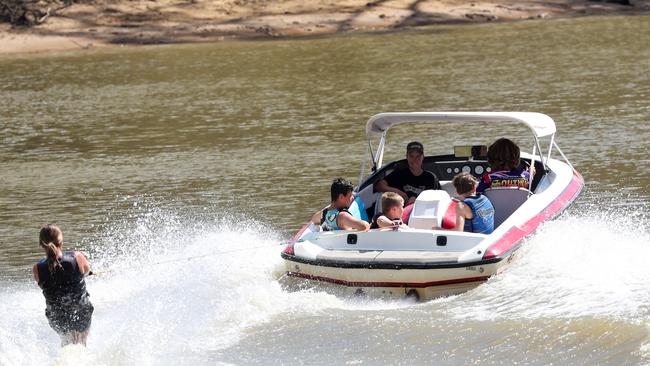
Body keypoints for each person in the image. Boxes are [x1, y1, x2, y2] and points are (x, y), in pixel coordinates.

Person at [33, 224, 94, 347]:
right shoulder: (76, 257)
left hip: (57, 316)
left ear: (41, 245)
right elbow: (87, 271)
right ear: (61, 242)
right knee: (81, 344)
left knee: (67, 344)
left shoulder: (37, 269)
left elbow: (44, 286)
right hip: (81, 310)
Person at [374, 141, 441, 206]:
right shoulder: (399, 174)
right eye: (412, 156)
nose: (415, 159)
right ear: (407, 157)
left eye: (418, 156)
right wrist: (400, 194)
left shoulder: (431, 178)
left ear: (423, 157)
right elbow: (379, 186)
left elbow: (440, 198)